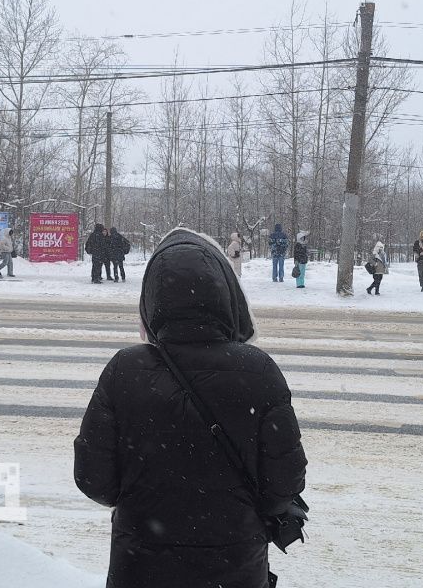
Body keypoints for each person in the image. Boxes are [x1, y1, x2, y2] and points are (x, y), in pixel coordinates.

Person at [74, 228, 308, 588]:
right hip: (234, 565)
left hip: (141, 565)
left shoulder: (125, 371)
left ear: (151, 300)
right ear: (226, 296)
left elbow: (94, 479)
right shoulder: (259, 371)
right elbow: (284, 483)